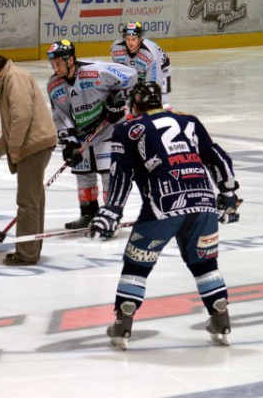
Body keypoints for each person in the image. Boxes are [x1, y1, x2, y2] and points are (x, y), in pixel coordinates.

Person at [90, 81, 242, 350]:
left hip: (164, 205)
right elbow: (217, 156)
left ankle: (123, 322)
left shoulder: (127, 129)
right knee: (205, 264)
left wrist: (111, 210)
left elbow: (121, 174)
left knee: (137, 265)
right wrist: (228, 194)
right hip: (203, 200)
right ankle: (220, 316)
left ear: (134, 105)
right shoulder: (190, 120)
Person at [46, 40, 137, 229]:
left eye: (59, 63)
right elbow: (60, 115)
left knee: (107, 174)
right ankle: (88, 213)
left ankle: (109, 215)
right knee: (83, 173)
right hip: (81, 134)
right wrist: (68, 142)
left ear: (70, 59)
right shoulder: (54, 85)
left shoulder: (95, 71)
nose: (55, 68)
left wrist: (117, 99)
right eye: (53, 64)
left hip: (108, 128)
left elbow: (131, 75)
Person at [0, 53, 57, 266]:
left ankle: (27, 253)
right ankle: (31, 247)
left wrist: (13, 149)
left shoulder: (15, 79)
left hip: (33, 145)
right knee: (34, 198)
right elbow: (12, 125)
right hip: (35, 143)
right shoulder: (12, 78)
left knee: (27, 201)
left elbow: (22, 117)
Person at [111, 21, 172, 109]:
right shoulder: (116, 48)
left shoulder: (150, 54)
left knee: (160, 101)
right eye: (127, 39)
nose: (130, 43)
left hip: (161, 69)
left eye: (133, 39)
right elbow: (119, 75)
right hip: (139, 69)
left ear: (140, 39)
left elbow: (154, 83)